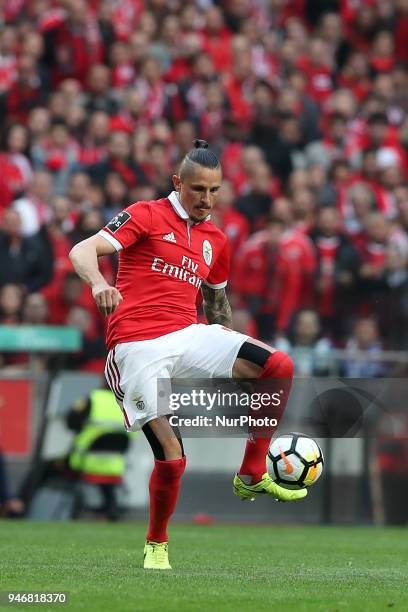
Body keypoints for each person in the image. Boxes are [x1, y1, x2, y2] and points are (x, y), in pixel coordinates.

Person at [69, 139, 307, 571]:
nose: (207, 199)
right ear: (178, 183)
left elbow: (217, 305)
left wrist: (229, 351)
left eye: (215, 191)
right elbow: (81, 249)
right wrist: (99, 284)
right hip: (137, 344)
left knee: (278, 365)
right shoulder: (145, 214)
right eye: (198, 189)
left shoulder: (216, 238)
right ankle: (156, 543)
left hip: (189, 332)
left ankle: (252, 472)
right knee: (173, 456)